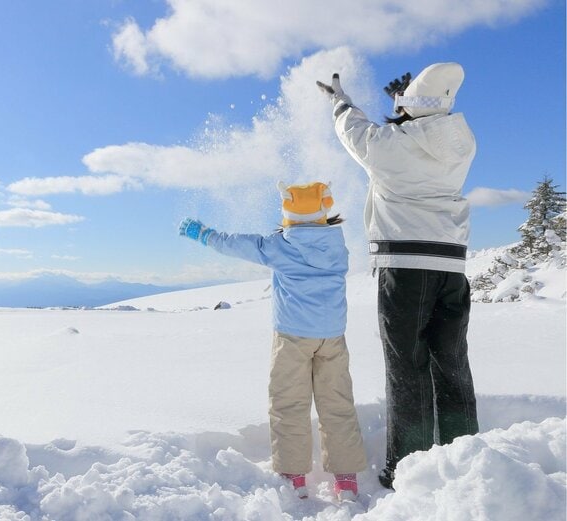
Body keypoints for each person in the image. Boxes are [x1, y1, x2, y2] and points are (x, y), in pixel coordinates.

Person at [316, 63, 480, 489]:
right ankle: (466, 458)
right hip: (453, 267)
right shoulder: (462, 143)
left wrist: (340, 101)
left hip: (406, 268)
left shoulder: (389, 146)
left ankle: (407, 467)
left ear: (412, 107)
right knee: (451, 363)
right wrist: (408, 103)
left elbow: (355, 133)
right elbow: (426, 130)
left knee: (407, 367)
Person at [178, 182, 367, 500]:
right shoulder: (337, 245)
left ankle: (294, 476)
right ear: (323, 213)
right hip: (332, 336)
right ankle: (345, 478)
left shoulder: (280, 246)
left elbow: (236, 244)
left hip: (292, 337)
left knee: (289, 404)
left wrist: (203, 233)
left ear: (288, 214)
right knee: (337, 404)